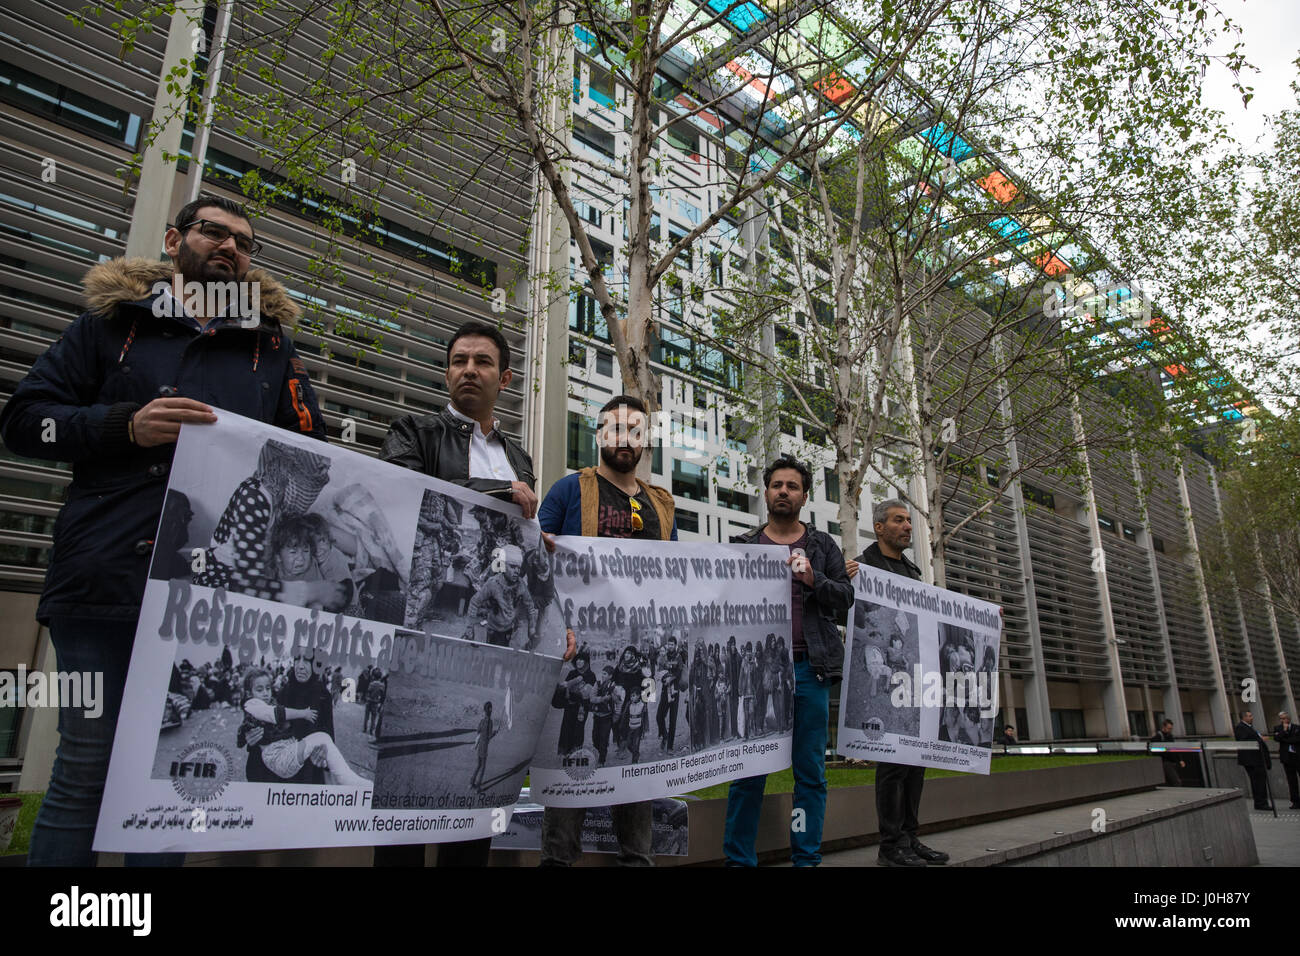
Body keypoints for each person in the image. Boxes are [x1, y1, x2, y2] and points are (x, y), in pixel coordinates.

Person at [0, 195, 325, 867]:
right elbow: (26, 421)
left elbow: (313, 458)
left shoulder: (272, 349)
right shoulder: (107, 328)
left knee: (165, 785)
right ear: (175, 239)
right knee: (85, 768)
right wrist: (124, 424)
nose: (230, 245)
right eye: (215, 231)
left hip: (207, 600)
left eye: (244, 240)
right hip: (102, 579)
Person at [376, 319, 572, 867]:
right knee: (402, 816)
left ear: (505, 377)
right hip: (417, 632)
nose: (468, 370)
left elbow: (522, 538)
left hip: (502, 651)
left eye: (481, 362)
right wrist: (497, 492)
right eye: (459, 360)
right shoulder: (413, 431)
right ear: (446, 371)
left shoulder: (520, 457)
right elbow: (403, 495)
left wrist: (540, 546)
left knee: (474, 809)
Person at [537, 394, 677, 867]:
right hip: (580, 647)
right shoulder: (568, 491)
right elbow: (537, 560)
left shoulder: (663, 505)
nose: (624, 439)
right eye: (614, 429)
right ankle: (558, 860)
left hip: (639, 651)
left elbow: (676, 575)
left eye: (634, 430)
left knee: (635, 762)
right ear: (600, 435)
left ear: (645, 440)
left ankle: (637, 860)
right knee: (573, 760)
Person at [724, 456, 853, 868]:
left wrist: (813, 578)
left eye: (792, 486)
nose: (783, 491)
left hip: (809, 671)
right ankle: (739, 861)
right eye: (776, 484)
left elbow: (846, 599)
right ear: (766, 492)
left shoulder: (822, 546)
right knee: (748, 772)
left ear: (804, 495)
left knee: (810, 775)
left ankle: (806, 859)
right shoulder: (743, 546)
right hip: (756, 674)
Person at [846, 498, 950, 867]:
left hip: (912, 676)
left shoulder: (912, 572)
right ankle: (890, 848)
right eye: (899, 520)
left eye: (908, 520)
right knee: (891, 763)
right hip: (879, 672)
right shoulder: (862, 568)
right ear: (879, 527)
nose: (907, 526)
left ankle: (909, 837)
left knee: (915, 760)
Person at [240, 668, 365, 786]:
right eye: (297, 659)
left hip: (304, 768)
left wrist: (322, 753)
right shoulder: (280, 695)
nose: (301, 666)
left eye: (268, 688)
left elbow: (328, 735)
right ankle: (349, 780)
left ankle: (349, 780)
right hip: (274, 767)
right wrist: (247, 739)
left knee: (324, 740)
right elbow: (266, 719)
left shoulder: (323, 694)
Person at [1234, 710, 1272, 810]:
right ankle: (1261, 803)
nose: (1252, 718)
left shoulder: (1249, 727)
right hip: (1252, 760)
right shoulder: (1240, 727)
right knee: (1257, 782)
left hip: (1257, 759)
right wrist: (1260, 740)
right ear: (1244, 717)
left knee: (1260, 782)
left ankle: (1261, 802)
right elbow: (1244, 742)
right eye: (1250, 716)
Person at [470, 702, 499, 792]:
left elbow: (478, 731)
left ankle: (471, 783)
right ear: (490, 710)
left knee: (478, 765)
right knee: (483, 768)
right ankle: (478, 787)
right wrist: (495, 733)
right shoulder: (489, 722)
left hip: (479, 746)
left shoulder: (482, 721)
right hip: (484, 747)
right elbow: (489, 736)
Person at [1149, 719, 1184, 787]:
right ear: (1164, 727)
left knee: (1171, 780)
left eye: (1171, 728)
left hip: (1171, 761)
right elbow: (1155, 750)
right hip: (1166, 762)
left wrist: (1180, 759)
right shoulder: (1158, 737)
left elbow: (1174, 748)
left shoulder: (1170, 736)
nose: (1170, 730)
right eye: (1169, 728)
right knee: (1176, 781)